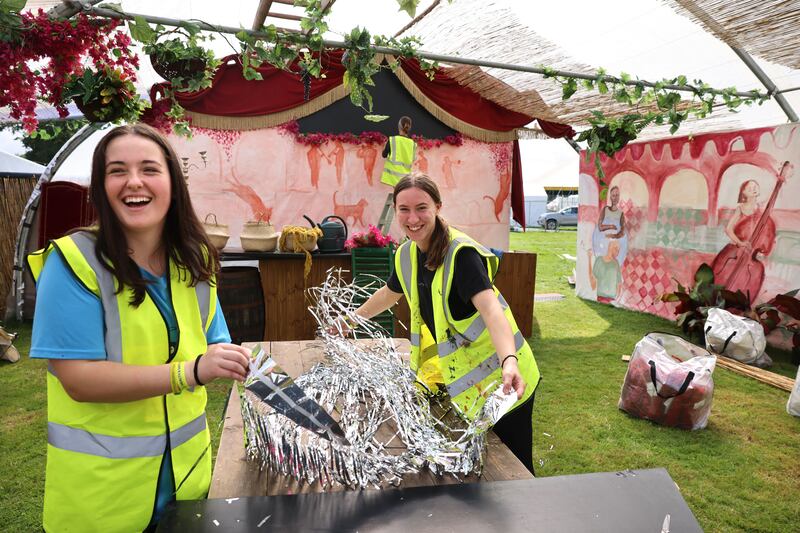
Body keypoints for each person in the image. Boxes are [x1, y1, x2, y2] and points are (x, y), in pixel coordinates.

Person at [28, 124, 252, 532]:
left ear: (172, 182)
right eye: (117, 171)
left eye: (149, 169)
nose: (134, 181)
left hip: (188, 487)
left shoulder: (194, 259)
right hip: (104, 504)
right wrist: (191, 371)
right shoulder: (73, 264)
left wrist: (236, 360)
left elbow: (212, 342)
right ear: (100, 186)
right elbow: (80, 380)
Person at [345, 172, 540, 473]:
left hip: (508, 379)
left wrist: (509, 362)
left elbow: (491, 312)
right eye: (404, 209)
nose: (413, 218)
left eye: (421, 208)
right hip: (469, 390)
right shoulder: (406, 254)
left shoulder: (461, 255)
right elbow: (389, 293)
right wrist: (351, 321)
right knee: (485, 469)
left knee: (515, 468)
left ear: (437, 206)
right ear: (395, 211)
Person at [380, 115, 417, 187]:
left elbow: (384, 155)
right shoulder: (412, 144)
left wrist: (384, 146)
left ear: (399, 126)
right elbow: (412, 159)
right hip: (405, 178)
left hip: (393, 178)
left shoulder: (393, 140)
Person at [587, 238, 622, 304]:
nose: (618, 252)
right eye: (616, 249)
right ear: (610, 247)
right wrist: (589, 259)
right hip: (601, 297)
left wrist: (617, 299)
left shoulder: (616, 263)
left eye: (618, 250)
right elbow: (593, 282)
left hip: (612, 299)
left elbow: (619, 283)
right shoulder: (599, 260)